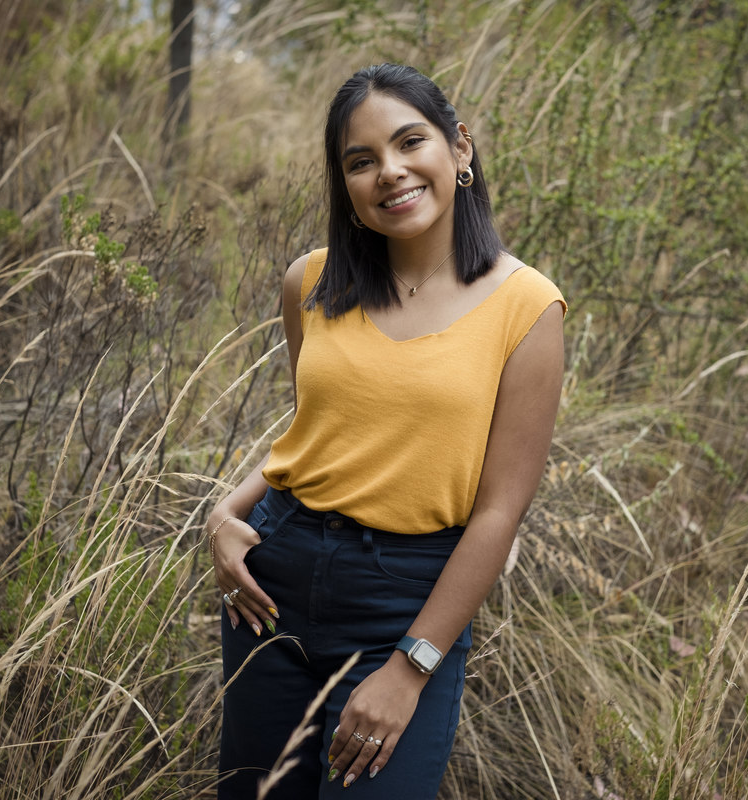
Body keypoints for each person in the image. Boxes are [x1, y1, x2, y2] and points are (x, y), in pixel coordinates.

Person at [206, 63, 566, 799]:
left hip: (404, 602)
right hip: (272, 585)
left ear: (459, 148)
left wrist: (409, 667)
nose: (390, 172)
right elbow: (321, 435)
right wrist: (226, 512)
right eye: (360, 160)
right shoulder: (311, 282)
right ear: (344, 184)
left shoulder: (527, 307)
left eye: (409, 142)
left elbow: (499, 511)